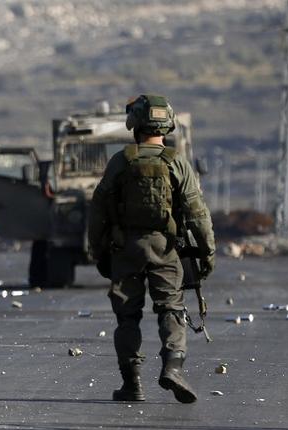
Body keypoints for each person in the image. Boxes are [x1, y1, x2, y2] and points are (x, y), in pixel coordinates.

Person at [88, 94, 215, 403]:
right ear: (167, 126)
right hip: (166, 248)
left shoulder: (121, 161)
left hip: (126, 249)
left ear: (135, 125)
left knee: (127, 317)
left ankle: (132, 384)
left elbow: (98, 209)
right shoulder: (177, 162)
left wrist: (99, 252)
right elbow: (198, 212)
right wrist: (208, 250)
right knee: (171, 308)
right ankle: (173, 368)